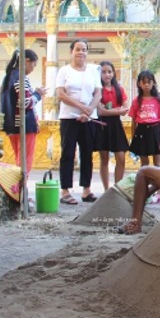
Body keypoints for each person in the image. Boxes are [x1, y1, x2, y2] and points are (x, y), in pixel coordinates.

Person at [55, 39, 102, 205]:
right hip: (69, 117)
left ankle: (86, 190)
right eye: (78, 49)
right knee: (67, 153)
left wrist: (88, 109)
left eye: (84, 50)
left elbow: (98, 94)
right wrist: (80, 107)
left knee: (87, 153)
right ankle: (66, 190)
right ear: (71, 52)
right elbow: (60, 94)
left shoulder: (93, 70)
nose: (81, 52)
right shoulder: (64, 71)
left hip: (89, 118)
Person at [0, 49, 47, 175]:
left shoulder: (10, 76)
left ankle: (20, 191)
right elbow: (24, 103)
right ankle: (20, 190)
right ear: (27, 61)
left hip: (12, 125)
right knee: (25, 162)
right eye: (33, 64)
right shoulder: (21, 77)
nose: (33, 68)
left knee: (19, 159)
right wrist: (38, 95)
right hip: (25, 124)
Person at [95, 61, 130, 190]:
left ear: (114, 73)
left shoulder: (119, 89)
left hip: (116, 126)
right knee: (104, 159)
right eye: (103, 72)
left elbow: (126, 108)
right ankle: (106, 189)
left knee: (121, 158)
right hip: (102, 125)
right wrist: (117, 111)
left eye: (109, 71)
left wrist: (113, 111)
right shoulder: (97, 90)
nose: (107, 75)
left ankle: (117, 188)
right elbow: (100, 111)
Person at [128, 70, 160, 168]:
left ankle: (158, 183)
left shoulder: (158, 99)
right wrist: (133, 138)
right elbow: (133, 122)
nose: (146, 85)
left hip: (155, 131)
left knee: (158, 163)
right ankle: (144, 182)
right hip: (141, 132)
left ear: (153, 83)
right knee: (144, 164)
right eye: (144, 82)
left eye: (149, 82)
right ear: (139, 84)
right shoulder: (136, 101)